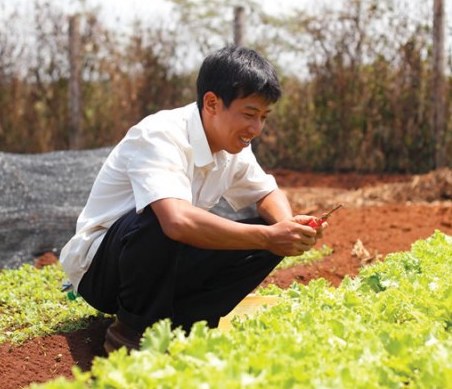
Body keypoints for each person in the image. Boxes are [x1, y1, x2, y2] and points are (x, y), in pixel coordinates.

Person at [60, 45, 326, 353]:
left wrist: (288, 228)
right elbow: (176, 222)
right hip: (102, 272)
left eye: (264, 117)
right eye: (250, 114)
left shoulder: (232, 146)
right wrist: (268, 236)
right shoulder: (160, 134)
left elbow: (266, 192)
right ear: (212, 103)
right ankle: (132, 333)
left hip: (165, 265)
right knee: (161, 217)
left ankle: (185, 326)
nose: (256, 129)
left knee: (267, 238)